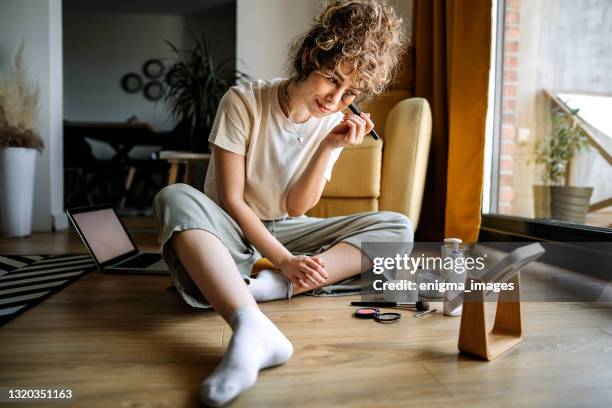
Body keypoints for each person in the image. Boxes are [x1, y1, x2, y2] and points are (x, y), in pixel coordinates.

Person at [153, 0, 410, 405]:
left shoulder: (332, 121)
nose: (335, 98)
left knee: (398, 228)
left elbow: (295, 207)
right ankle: (248, 320)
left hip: (286, 228)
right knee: (173, 197)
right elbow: (234, 201)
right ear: (310, 58)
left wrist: (328, 147)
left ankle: (259, 288)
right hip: (229, 228)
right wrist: (285, 260)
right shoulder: (242, 102)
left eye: (350, 93)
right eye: (331, 79)